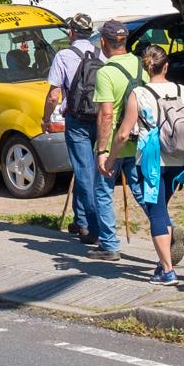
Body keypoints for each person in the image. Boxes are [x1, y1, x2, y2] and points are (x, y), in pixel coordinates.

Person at [108, 44, 184, 284]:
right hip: (179, 158)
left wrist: (110, 158)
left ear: (146, 68)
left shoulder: (139, 94)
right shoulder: (182, 90)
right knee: (161, 208)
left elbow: (123, 134)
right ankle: (162, 261)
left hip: (151, 161)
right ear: (166, 66)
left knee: (157, 212)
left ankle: (167, 270)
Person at [43, 14, 106, 248]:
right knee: (93, 171)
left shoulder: (64, 55)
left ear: (71, 32)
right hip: (101, 119)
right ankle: (81, 220)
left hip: (76, 120)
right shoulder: (102, 55)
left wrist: (46, 118)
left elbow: (53, 95)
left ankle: (92, 227)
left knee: (83, 171)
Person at [84, 19, 142, 262]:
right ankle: (166, 229)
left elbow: (107, 114)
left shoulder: (106, 72)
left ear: (104, 42)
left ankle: (109, 245)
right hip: (140, 139)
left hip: (116, 143)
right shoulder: (141, 65)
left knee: (103, 191)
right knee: (141, 190)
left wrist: (102, 150)